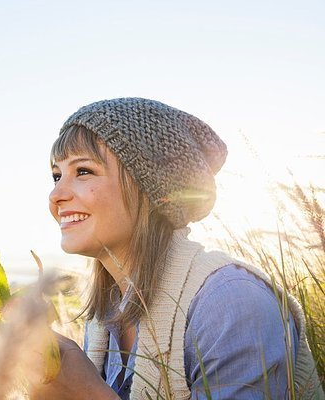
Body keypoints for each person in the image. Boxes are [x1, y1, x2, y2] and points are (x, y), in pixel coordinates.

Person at [28, 98, 323, 399]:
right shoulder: (104, 318)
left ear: (150, 186)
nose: (56, 195)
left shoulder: (231, 303)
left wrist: (88, 394)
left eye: (83, 171)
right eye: (56, 175)